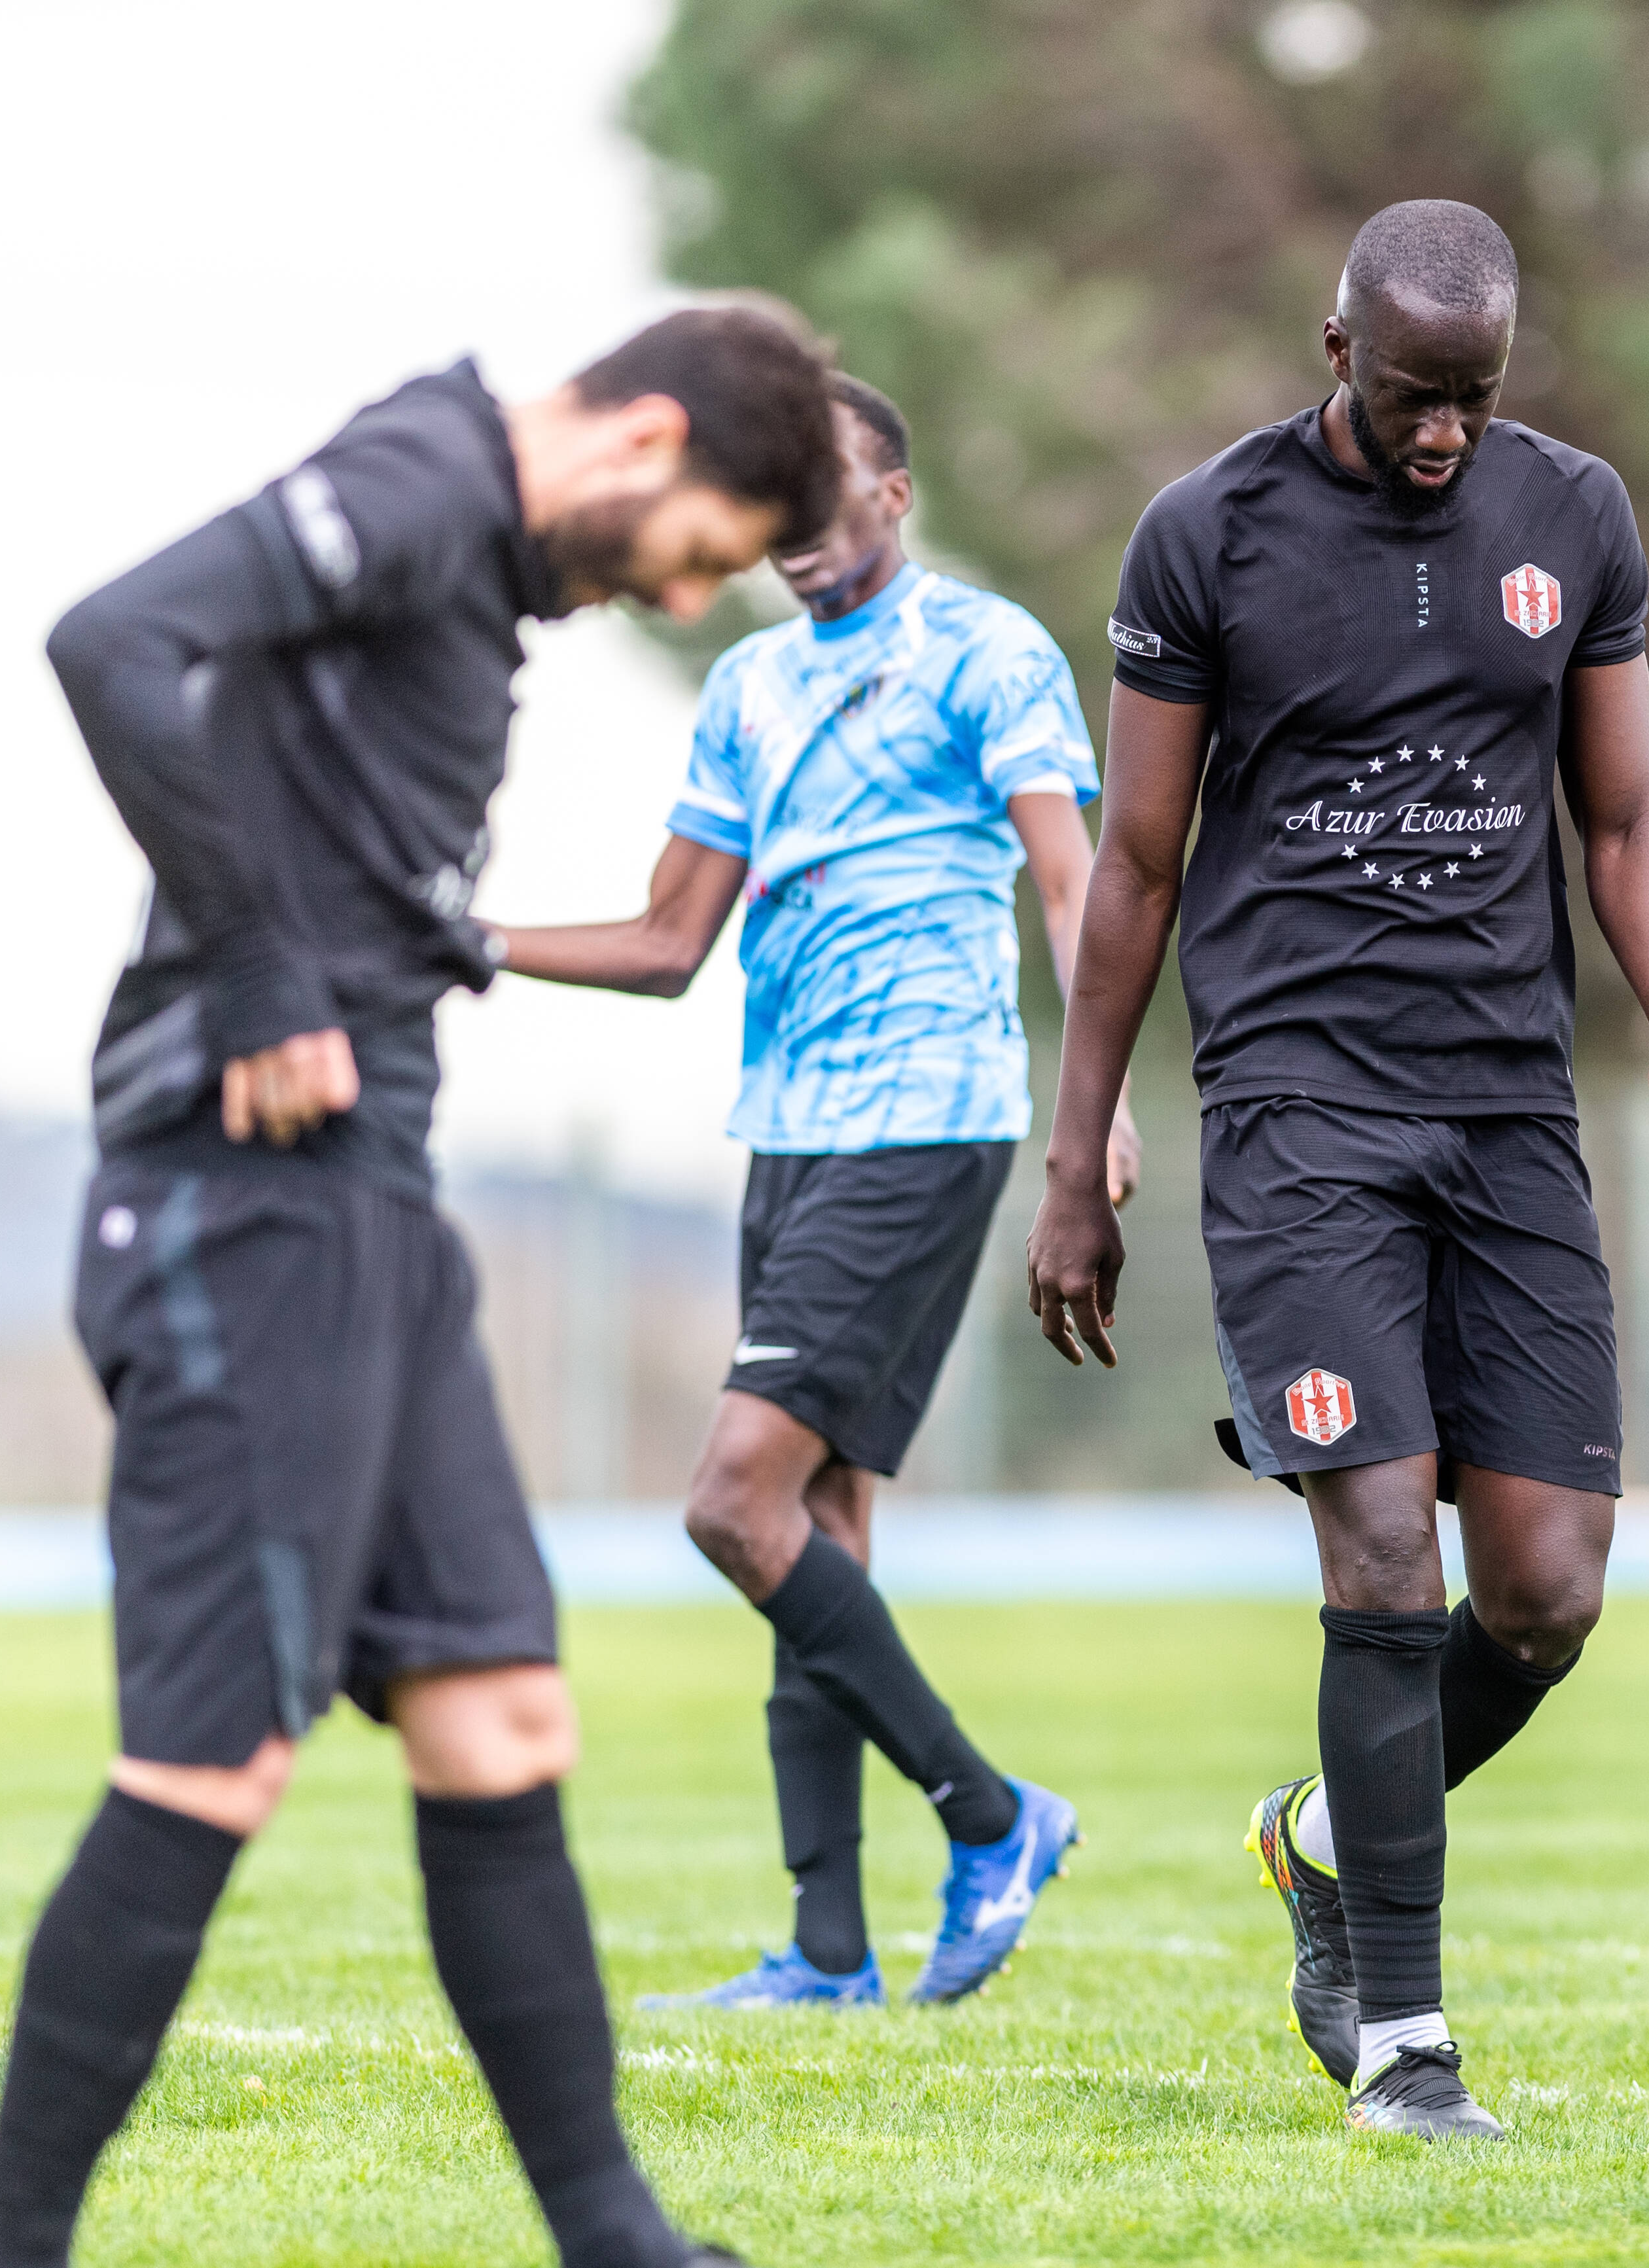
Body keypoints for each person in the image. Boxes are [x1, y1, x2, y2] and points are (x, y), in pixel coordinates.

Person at [0, 304, 840, 2268]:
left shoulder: (465, 561)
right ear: (644, 440)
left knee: (498, 1715)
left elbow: (307, 769)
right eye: (697, 552)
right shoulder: (428, 480)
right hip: (239, 1204)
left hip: (372, 1202)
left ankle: (618, 2244)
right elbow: (115, 640)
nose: (673, 594)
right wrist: (258, 967)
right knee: (210, 1763)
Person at [1024, 198, 1649, 2140]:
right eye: (1415, 394)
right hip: (1297, 1111)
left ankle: (1328, 1832)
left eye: (1474, 398)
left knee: (1547, 1590)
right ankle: (1404, 2042)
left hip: (1507, 1110)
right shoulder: (1207, 535)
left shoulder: (1573, 516)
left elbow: (1623, 822)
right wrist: (1078, 1150)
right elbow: (1137, 868)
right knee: (1380, 1549)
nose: (1444, 434)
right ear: (1337, 347)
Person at [493, 371, 1132, 2011]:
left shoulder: (985, 652)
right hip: (785, 1129)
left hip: (925, 1116)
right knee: (816, 1525)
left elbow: (1075, 889)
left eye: (826, 483)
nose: (793, 518)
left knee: (732, 1501)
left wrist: (1098, 1105)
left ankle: (990, 1814)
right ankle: (829, 1946)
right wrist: (465, 940)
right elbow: (666, 942)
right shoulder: (745, 688)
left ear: (895, 495)